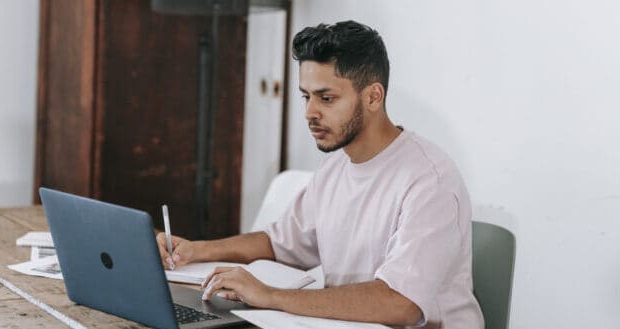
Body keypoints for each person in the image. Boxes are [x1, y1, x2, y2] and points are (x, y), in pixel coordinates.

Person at [157, 20, 483, 328]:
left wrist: (271, 296)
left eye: (326, 98)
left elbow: (401, 302)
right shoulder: (335, 166)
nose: (310, 113)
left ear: (373, 96)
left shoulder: (429, 180)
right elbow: (280, 243)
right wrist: (197, 250)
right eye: (306, 96)